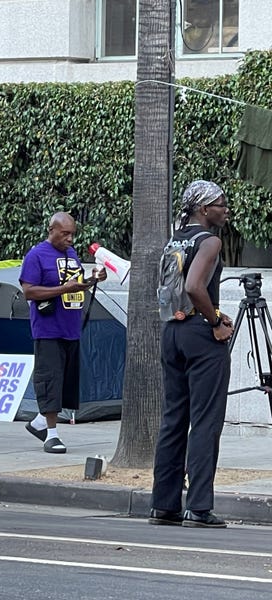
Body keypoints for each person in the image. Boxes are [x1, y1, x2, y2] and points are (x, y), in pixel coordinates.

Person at [149, 180, 233, 529]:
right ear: (203, 209)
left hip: (172, 332)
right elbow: (194, 286)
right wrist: (215, 320)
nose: (225, 209)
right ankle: (198, 506)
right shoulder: (209, 240)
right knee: (205, 421)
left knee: (173, 419)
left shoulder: (174, 239)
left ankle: (163, 504)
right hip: (200, 334)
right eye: (220, 204)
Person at [19, 212, 106, 454]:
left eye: (72, 234)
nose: (70, 239)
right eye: (65, 234)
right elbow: (29, 292)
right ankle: (51, 434)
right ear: (52, 230)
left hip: (71, 327)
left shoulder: (71, 255)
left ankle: (39, 423)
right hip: (48, 329)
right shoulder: (36, 255)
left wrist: (92, 279)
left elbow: (75, 286)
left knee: (64, 383)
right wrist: (62, 289)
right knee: (50, 380)